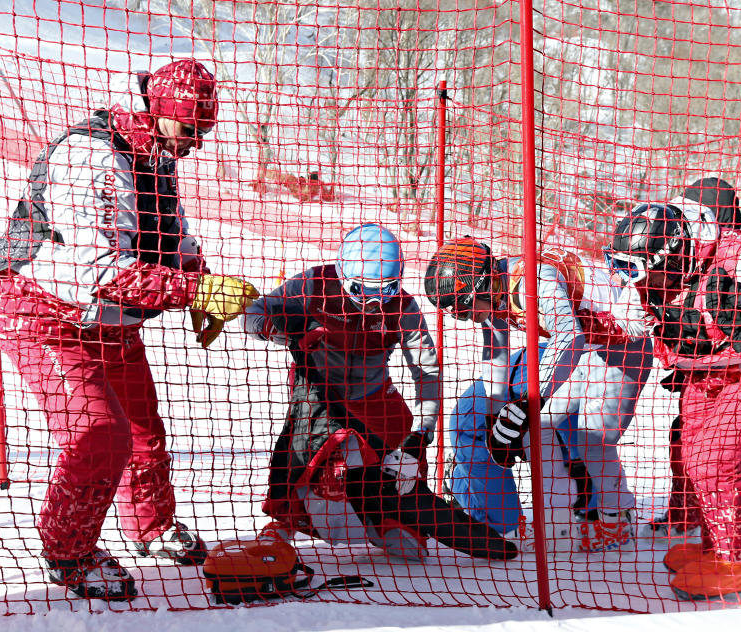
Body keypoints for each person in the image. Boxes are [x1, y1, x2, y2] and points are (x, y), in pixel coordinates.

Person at [0, 59, 260, 601]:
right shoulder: (93, 157)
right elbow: (97, 270)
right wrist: (193, 293)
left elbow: (171, 233)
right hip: (44, 312)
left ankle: (152, 527)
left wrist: (199, 275)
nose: (197, 143)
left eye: (205, 132)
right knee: (99, 436)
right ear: (163, 111)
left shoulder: (156, 154)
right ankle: (70, 551)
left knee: (142, 427)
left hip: (108, 318)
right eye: (192, 129)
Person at [242, 224, 515, 562]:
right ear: (343, 275)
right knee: (305, 459)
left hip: (375, 401)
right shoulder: (313, 284)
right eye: (363, 291)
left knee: (400, 469)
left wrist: (423, 433)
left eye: (384, 291)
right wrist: (273, 330)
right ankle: (283, 523)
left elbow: (426, 369)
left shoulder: (402, 307)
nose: (373, 303)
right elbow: (254, 312)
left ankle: (391, 522)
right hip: (318, 395)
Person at [604, 199, 741, 599]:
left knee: (714, 461)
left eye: (643, 270)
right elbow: (623, 322)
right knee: (691, 459)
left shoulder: (740, 255)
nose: (635, 281)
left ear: (670, 255)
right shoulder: (644, 280)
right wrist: (593, 320)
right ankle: (712, 549)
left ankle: (735, 561)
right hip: (702, 369)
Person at [424, 238, 653, 553]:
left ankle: (615, 517)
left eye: (463, 311)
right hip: (579, 349)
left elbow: (570, 336)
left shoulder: (534, 281)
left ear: (481, 286)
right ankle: (539, 513)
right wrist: (497, 420)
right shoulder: (495, 291)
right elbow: (497, 355)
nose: (463, 318)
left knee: (594, 438)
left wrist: (526, 402)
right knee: (533, 423)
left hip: (619, 347)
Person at [648, 178, 741, 542]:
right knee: (684, 441)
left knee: (734, 454)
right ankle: (685, 515)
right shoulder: (685, 259)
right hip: (705, 378)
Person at [443, 343, 598, 540]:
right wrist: (578, 460)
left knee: (590, 491)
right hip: (477, 429)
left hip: (536, 427)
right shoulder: (554, 361)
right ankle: (457, 480)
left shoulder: (613, 362)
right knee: (504, 525)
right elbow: (564, 417)